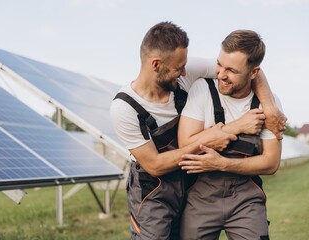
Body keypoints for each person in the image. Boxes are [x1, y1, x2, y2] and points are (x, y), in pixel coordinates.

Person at [110, 22, 286, 240]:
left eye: (185, 65)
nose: (185, 72)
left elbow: (248, 69)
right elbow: (155, 165)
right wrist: (222, 133)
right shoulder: (124, 109)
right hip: (155, 188)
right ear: (156, 64)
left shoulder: (185, 69)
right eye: (179, 68)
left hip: (189, 180)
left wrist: (269, 106)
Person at [178, 29, 283, 240]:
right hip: (201, 197)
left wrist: (221, 163)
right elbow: (185, 146)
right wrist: (236, 126)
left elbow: (271, 163)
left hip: (246, 199)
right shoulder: (202, 89)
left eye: (232, 70)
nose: (221, 75)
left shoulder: (268, 104)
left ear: (254, 73)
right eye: (219, 64)